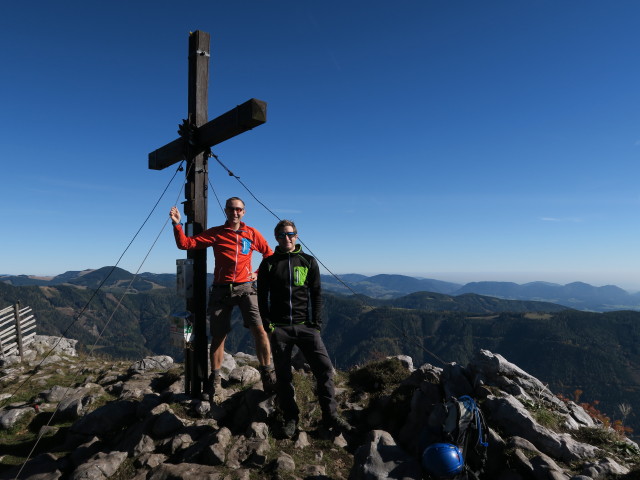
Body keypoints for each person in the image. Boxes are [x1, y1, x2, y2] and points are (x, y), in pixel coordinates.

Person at [169, 197, 276, 401]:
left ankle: (267, 375)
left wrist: (258, 273)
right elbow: (185, 244)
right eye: (231, 209)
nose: (235, 212)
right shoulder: (217, 233)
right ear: (226, 211)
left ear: (244, 212)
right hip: (221, 290)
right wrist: (177, 223)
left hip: (246, 287)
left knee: (260, 330)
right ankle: (215, 379)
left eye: (239, 209)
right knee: (219, 336)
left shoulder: (252, 233)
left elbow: (268, 254)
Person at [257, 219, 350, 438]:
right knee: (283, 375)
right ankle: (291, 417)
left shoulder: (308, 261)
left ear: (296, 236)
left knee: (325, 369)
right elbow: (261, 296)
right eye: (281, 235)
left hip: (306, 327)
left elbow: (316, 294)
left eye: (290, 234)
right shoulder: (269, 263)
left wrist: (315, 324)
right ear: (276, 238)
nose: (286, 238)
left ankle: (330, 415)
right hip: (279, 328)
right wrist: (268, 324)